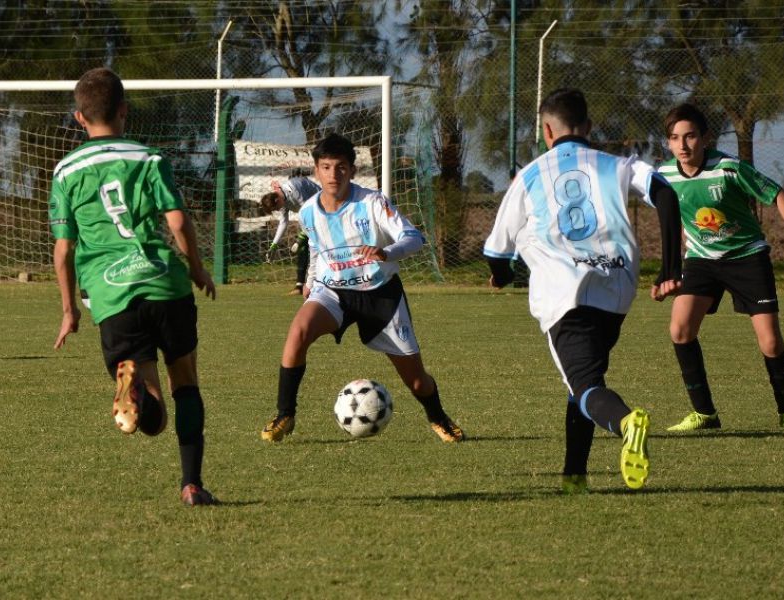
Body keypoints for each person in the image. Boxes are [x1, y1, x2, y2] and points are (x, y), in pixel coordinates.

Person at [484, 88, 683, 492]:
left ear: (546, 130)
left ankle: (627, 423)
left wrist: (502, 275)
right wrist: (670, 268)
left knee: (588, 387)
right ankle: (574, 477)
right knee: (582, 382)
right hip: (616, 290)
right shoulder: (618, 165)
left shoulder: (531, 174)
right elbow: (665, 193)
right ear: (588, 128)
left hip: (565, 295)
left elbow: (495, 249)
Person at [50, 67, 218, 506]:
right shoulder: (149, 158)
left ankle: (136, 387)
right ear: (124, 111)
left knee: (152, 416)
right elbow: (178, 222)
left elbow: (64, 251)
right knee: (186, 384)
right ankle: (192, 485)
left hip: (111, 296)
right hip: (164, 283)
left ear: (78, 118)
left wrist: (70, 310)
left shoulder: (66, 171)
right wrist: (197, 268)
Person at [260, 133, 464, 443]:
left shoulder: (372, 202)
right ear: (316, 171)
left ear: (352, 171)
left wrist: (387, 252)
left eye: (341, 167)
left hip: (380, 294)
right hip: (334, 292)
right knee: (297, 332)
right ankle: (285, 414)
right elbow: (317, 248)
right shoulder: (308, 212)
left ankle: (437, 416)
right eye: (326, 167)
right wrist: (311, 282)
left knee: (417, 381)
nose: (333, 174)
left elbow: (414, 238)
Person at [653, 103, 784, 432]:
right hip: (701, 260)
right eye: (674, 138)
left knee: (769, 341)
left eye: (690, 137)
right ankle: (705, 414)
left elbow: (777, 194)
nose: (682, 146)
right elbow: (670, 225)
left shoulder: (729, 168)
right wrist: (667, 273)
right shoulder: (665, 176)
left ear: (706, 138)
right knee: (680, 329)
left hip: (746, 257)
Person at [259, 175, 319, 294]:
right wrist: (273, 245)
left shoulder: (295, 190)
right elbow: (283, 222)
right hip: (312, 216)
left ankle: (323, 284)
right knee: (304, 247)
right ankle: (300, 286)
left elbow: (310, 212)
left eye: (275, 208)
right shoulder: (281, 198)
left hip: (323, 207)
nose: (277, 210)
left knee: (318, 248)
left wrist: (301, 236)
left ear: (277, 200)